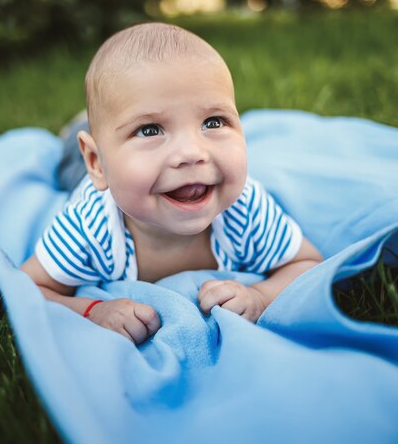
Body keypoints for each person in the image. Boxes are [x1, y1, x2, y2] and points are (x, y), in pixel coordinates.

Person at [21, 22, 322, 344]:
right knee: (66, 161)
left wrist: (261, 295)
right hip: (81, 173)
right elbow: (27, 287)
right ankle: (77, 129)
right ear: (97, 163)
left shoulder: (246, 209)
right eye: (150, 130)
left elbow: (308, 263)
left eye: (213, 121)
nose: (192, 153)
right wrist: (93, 310)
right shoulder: (89, 226)